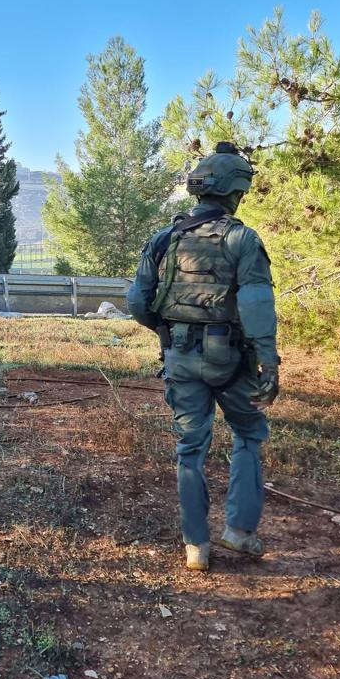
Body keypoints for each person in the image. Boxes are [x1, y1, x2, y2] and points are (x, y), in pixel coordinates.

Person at [126, 141, 280, 572]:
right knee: (248, 435)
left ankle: (196, 546)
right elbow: (256, 304)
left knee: (189, 450)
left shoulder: (164, 239)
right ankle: (240, 531)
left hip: (181, 357)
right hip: (232, 360)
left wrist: (167, 331)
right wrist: (269, 361)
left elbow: (138, 301)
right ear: (235, 192)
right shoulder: (242, 238)